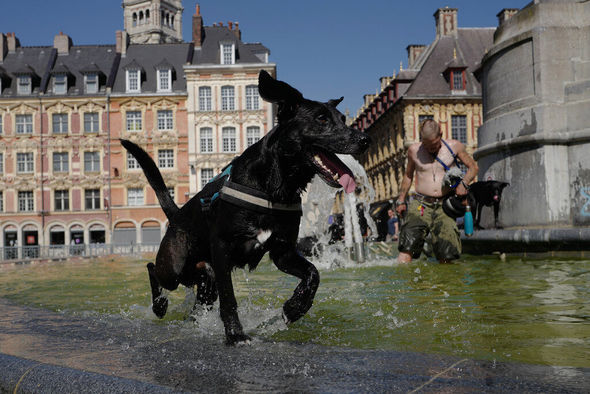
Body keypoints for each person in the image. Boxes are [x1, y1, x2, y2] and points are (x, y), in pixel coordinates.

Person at [395, 119, 478, 263]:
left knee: (447, 254)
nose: (431, 149)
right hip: (420, 204)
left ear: (441, 134)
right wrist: (401, 200)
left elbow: (473, 167)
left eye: (434, 145)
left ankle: (445, 285)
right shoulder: (414, 151)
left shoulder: (454, 146)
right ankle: (403, 284)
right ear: (422, 139)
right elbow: (408, 176)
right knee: (407, 247)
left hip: (444, 205)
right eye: (427, 146)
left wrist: (464, 183)